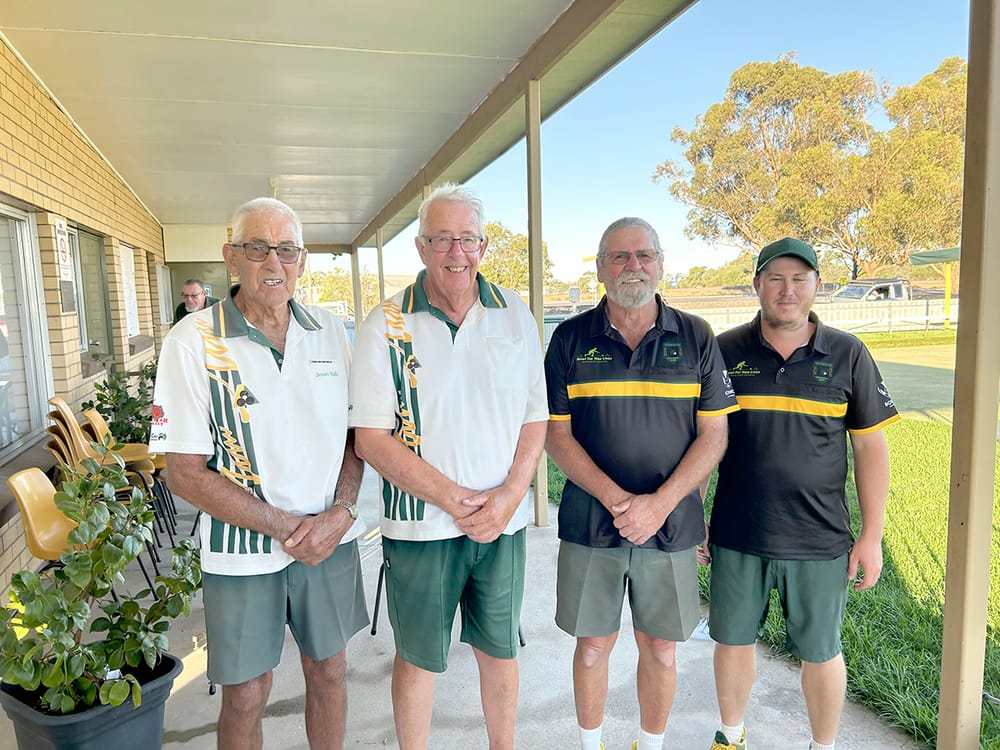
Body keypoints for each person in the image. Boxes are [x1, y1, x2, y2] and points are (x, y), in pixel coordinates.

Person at [151, 197, 369, 750]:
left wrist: (341, 512)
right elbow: (183, 472)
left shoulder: (332, 332)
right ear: (232, 257)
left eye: (288, 250)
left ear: (302, 261)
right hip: (240, 550)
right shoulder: (192, 340)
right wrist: (284, 527)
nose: (274, 262)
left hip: (328, 539)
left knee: (331, 669)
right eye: (257, 248)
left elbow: (356, 438)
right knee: (247, 691)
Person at [349, 183, 548, 750]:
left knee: (499, 650)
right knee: (418, 661)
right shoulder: (383, 324)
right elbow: (371, 439)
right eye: (441, 239)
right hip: (419, 526)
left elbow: (536, 419)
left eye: (466, 239)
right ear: (420, 247)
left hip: (500, 525)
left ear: (483, 246)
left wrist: (511, 496)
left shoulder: (515, 314)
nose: (455, 252)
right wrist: (450, 497)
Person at [545, 217, 738, 750]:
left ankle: (648, 746)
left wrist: (659, 504)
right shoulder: (568, 338)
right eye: (620, 256)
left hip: (671, 527)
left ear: (660, 263)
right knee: (591, 647)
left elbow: (714, 435)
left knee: (661, 648)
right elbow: (555, 437)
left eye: (644, 255)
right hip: (590, 525)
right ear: (601, 267)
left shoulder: (696, 335)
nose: (634, 266)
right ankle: (593, 745)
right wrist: (617, 500)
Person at [707, 238, 899, 750]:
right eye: (775, 279)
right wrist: (693, 512)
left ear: (817, 285)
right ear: (757, 286)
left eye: (799, 279)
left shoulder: (848, 353)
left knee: (821, 650)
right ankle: (730, 736)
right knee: (731, 641)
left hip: (820, 538)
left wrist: (872, 536)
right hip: (738, 532)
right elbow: (703, 438)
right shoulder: (724, 351)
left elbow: (870, 448)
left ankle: (823, 745)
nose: (787, 291)